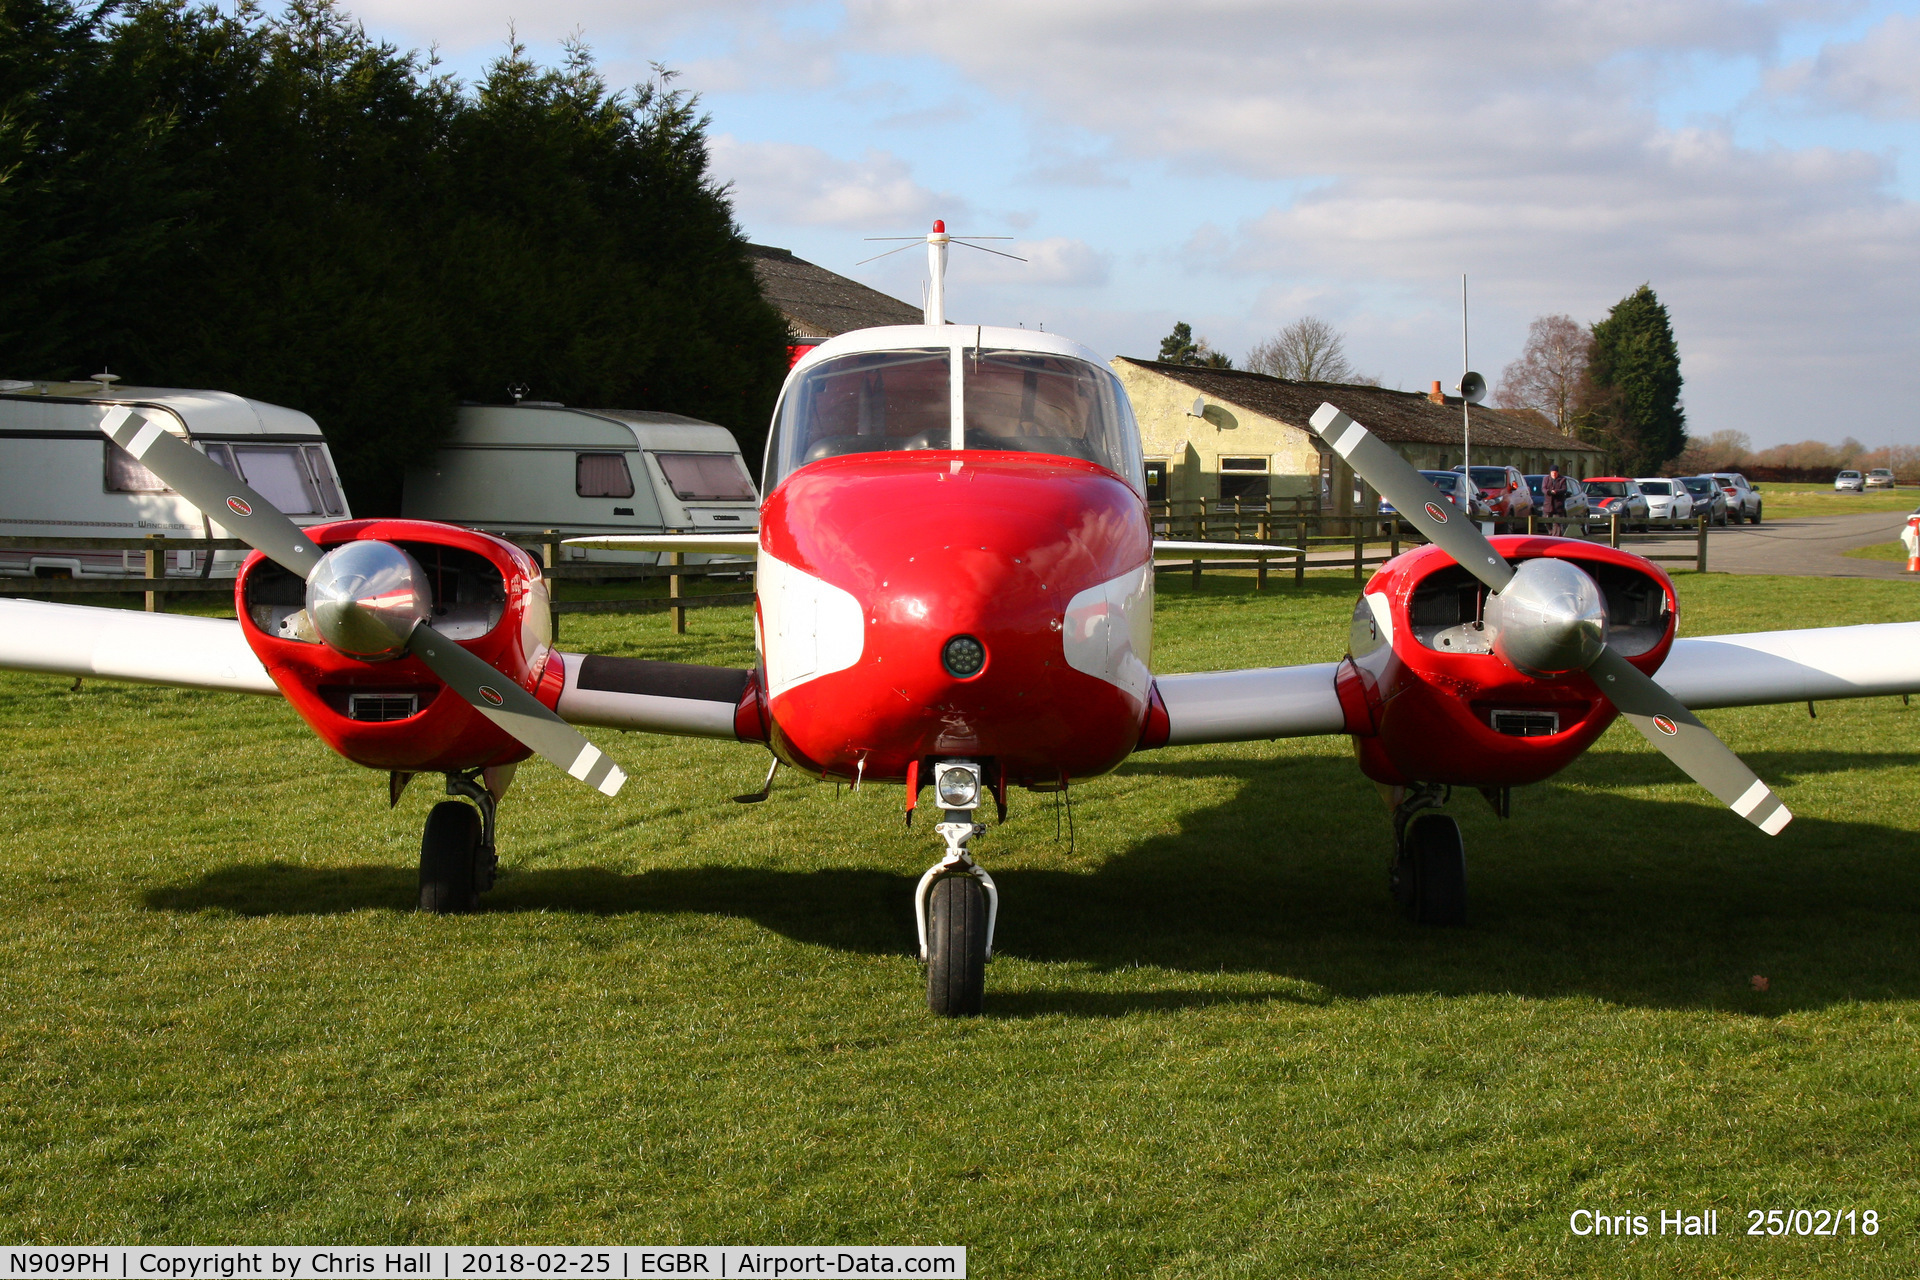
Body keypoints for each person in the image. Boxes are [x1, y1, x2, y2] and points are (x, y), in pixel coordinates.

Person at [1542, 465, 1573, 536]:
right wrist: (1549, 492)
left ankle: (1556, 537)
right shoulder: (1546, 479)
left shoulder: (1562, 479)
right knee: (1546, 520)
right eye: (1552, 472)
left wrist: (1556, 491)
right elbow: (1543, 489)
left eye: (1555, 473)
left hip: (1558, 505)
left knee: (1557, 522)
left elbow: (1564, 489)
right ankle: (1551, 532)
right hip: (1548, 505)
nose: (1554, 474)